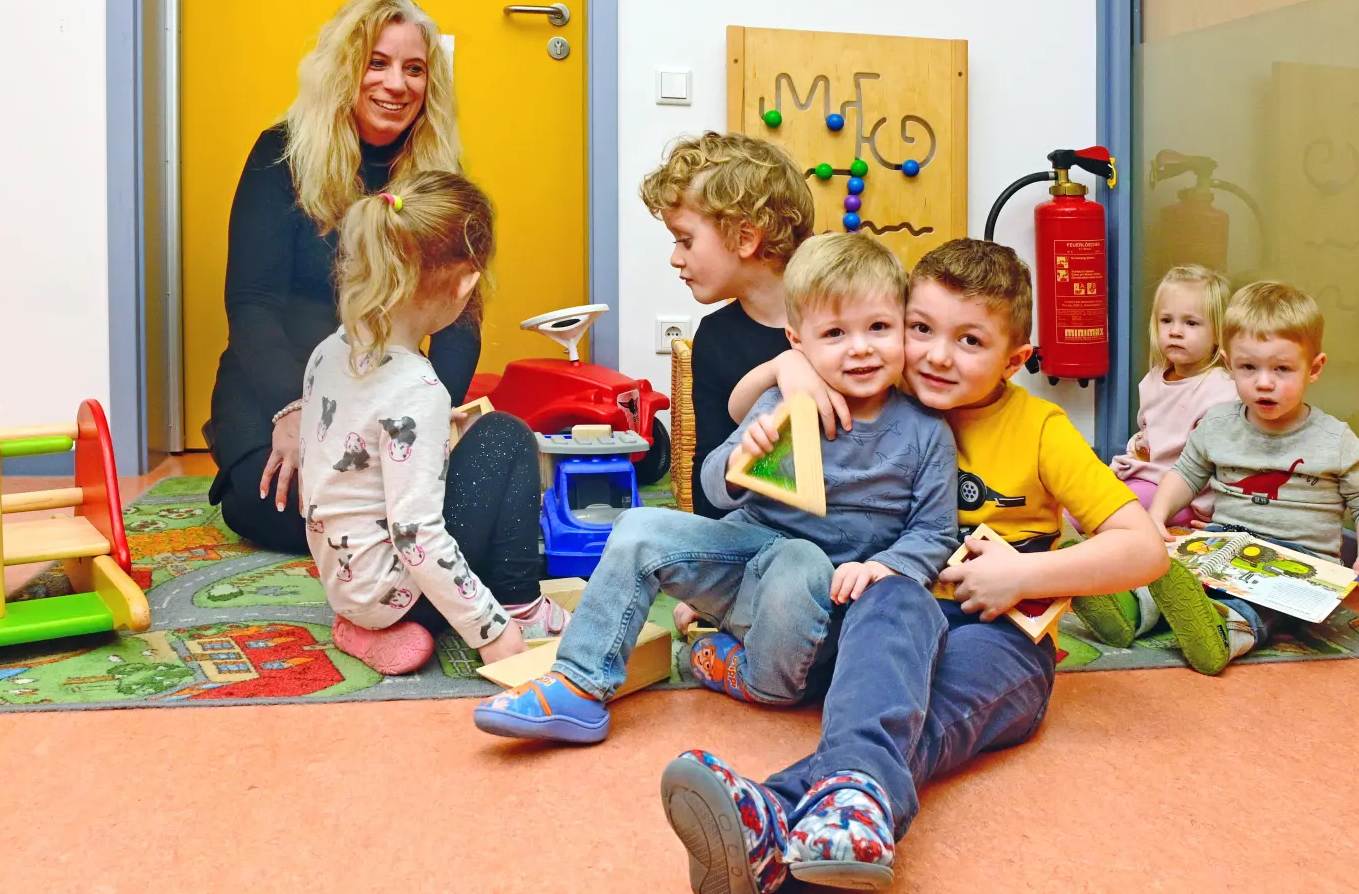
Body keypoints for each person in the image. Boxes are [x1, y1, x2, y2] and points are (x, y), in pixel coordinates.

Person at [657, 238, 1170, 892]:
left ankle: (781, 815)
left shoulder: (1040, 428)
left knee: (927, 714)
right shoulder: (876, 386)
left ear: (1014, 360)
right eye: (921, 329)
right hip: (880, 626)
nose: (935, 355)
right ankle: (834, 815)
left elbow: (1144, 548)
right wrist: (789, 371)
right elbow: (762, 427)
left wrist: (1023, 575)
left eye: (970, 341)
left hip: (997, 633)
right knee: (892, 595)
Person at [471, 232, 957, 744]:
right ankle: (579, 683)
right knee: (636, 527)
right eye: (834, 333)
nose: (860, 348)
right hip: (746, 562)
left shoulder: (926, 432)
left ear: (903, 328)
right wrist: (741, 457)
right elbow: (713, 488)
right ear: (798, 342)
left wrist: (884, 566)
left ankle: (739, 669)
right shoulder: (783, 400)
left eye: (879, 327)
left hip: (824, 603)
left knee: (801, 560)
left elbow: (934, 532)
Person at [206, 0, 478, 553]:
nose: (396, 84)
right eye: (376, 63)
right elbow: (251, 302)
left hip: (385, 391)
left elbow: (461, 318)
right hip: (275, 386)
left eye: (414, 69)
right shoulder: (278, 154)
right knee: (269, 504)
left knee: (406, 494)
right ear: (344, 69)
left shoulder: (439, 174)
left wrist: (428, 419)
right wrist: (294, 409)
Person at [297, 172, 568, 676]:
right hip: (402, 592)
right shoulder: (418, 387)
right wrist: (490, 630)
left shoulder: (326, 354)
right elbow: (416, 534)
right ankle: (520, 608)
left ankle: (363, 629)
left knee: (471, 452)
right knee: (505, 434)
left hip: (345, 580)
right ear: (466, 282)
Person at [1143, 281, 1359, 675]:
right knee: (1160, 567)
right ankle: (1133, 609)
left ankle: (1224, 632)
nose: (1264, 382)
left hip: (1299, 563)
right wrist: (1156, 516)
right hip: (1225, 542)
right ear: (1228, 364)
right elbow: (1185, 474)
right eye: (1248, 368)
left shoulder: (1335, 439)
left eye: (1282, 369)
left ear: (1314, 368)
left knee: (1267, 603)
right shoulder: (1218, 423)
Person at [638, 132, 815, 519]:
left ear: (746, 237)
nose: (674, 258)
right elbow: (707, 495)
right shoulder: (715, 338)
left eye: (685, 240)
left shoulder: (850, 322)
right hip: (752, 538)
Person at [1072, 264, 1238, 646]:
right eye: (1167, 320)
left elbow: (1208, 458)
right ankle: (1062, 537)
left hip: (1182, 493)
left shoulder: (1219, 389)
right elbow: (1151, 433)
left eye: (1191, 323)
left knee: (1114, 505)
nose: (1175, 331)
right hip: (1149, 474)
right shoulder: (1154, 379)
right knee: (1086, 488)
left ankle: (1090, 564)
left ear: (1219, 334)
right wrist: (1137, 448)